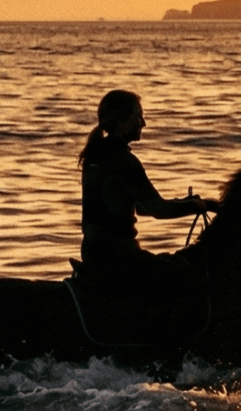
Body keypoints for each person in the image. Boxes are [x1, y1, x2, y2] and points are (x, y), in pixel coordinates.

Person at [77, 89, 212, 295]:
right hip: (120, 257)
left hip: (93, 254)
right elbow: (158, 210)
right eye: (138, 116)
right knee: (183, 277)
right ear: (121, 122)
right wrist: (198, 206)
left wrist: (183, 202)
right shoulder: (124, 161)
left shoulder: (95, 155)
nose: (144, 123)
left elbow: (140, 207)